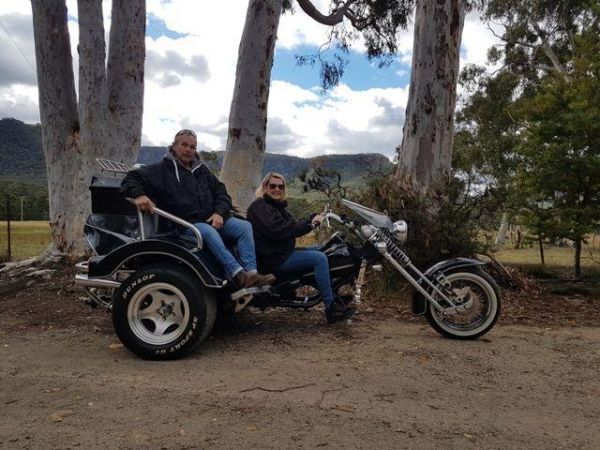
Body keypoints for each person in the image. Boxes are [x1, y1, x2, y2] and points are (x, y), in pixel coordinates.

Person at [120, 129, 275, 289]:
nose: (189, 150)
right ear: (174, 146)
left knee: (244, 226)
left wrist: (219, 213)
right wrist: (139, 195)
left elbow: (221, 191)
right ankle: (238, 275)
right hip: (184, 225)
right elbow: (131, 178)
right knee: (207, 232)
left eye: (193, 147)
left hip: (212, 219)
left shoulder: (202, 170)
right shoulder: (160, 170)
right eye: (184, 145)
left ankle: (251, 274)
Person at [246, 172, 356, 324]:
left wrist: (311, 217)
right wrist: (311, 224)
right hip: (274, 259)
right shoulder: (259, 207)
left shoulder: (277, 206)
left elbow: (293, 223)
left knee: (323, 249)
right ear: (265, 187)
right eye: (273, 186)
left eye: (280, 186)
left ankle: (333, 295)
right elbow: (280, 230)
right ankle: (331, 308)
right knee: (320, 258)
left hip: (283, 253)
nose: (277, 189)